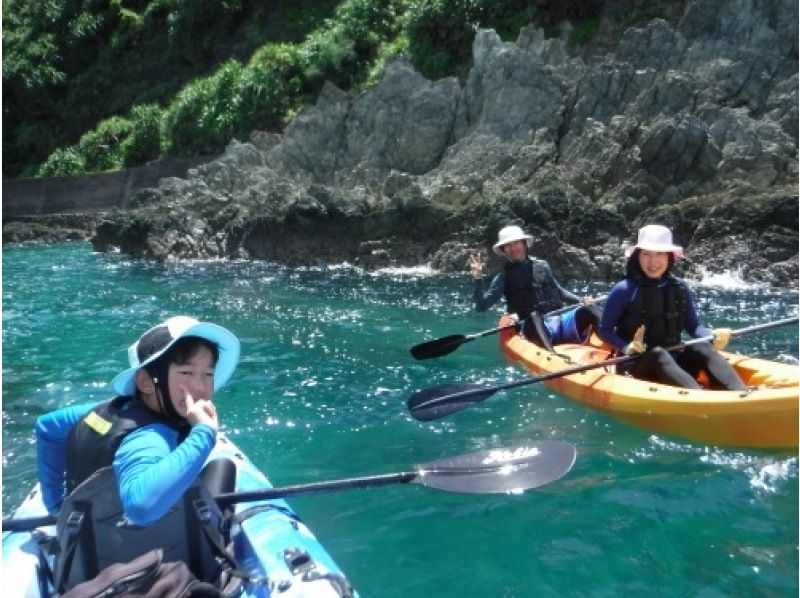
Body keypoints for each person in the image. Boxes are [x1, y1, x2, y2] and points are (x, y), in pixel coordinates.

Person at [35, 315, 243, 590]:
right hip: (155, 571)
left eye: (208, 374)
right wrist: (203, 433)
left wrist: (56, 506)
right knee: (222, 468)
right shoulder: (149, 438)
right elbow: (142, 506)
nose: (201, 388)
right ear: (146, 382)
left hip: (84, 563)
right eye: (186, 373)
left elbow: (46, 428)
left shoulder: (99, 412)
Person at [598, 224, 746, 390]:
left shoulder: (680, 287)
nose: (653, 262)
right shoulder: (623, 290)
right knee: (657, 353)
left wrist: (710, 336)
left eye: (660, 254)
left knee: (701, 345)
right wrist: (627, 347)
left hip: (674, 361)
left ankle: (741, 393)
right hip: (635, 365)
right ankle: (698, 397)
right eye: (646, 254)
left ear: (669, 257)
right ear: (637, 257)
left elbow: (693, 326)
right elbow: (605, 330)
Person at [470, 224, 601, 350]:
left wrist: (581, 300)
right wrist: (478, 279)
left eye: (516, 243)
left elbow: (559, 291)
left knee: (590, 308)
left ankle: (619, 346)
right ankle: (551, 355)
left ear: (524, 243)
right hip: (533, 328)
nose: (513, 248)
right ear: (504, 250)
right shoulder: (502, 278)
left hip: (560, 321)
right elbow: (481, 307)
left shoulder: (542, 265)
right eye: (508, 245)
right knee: (533, 316)